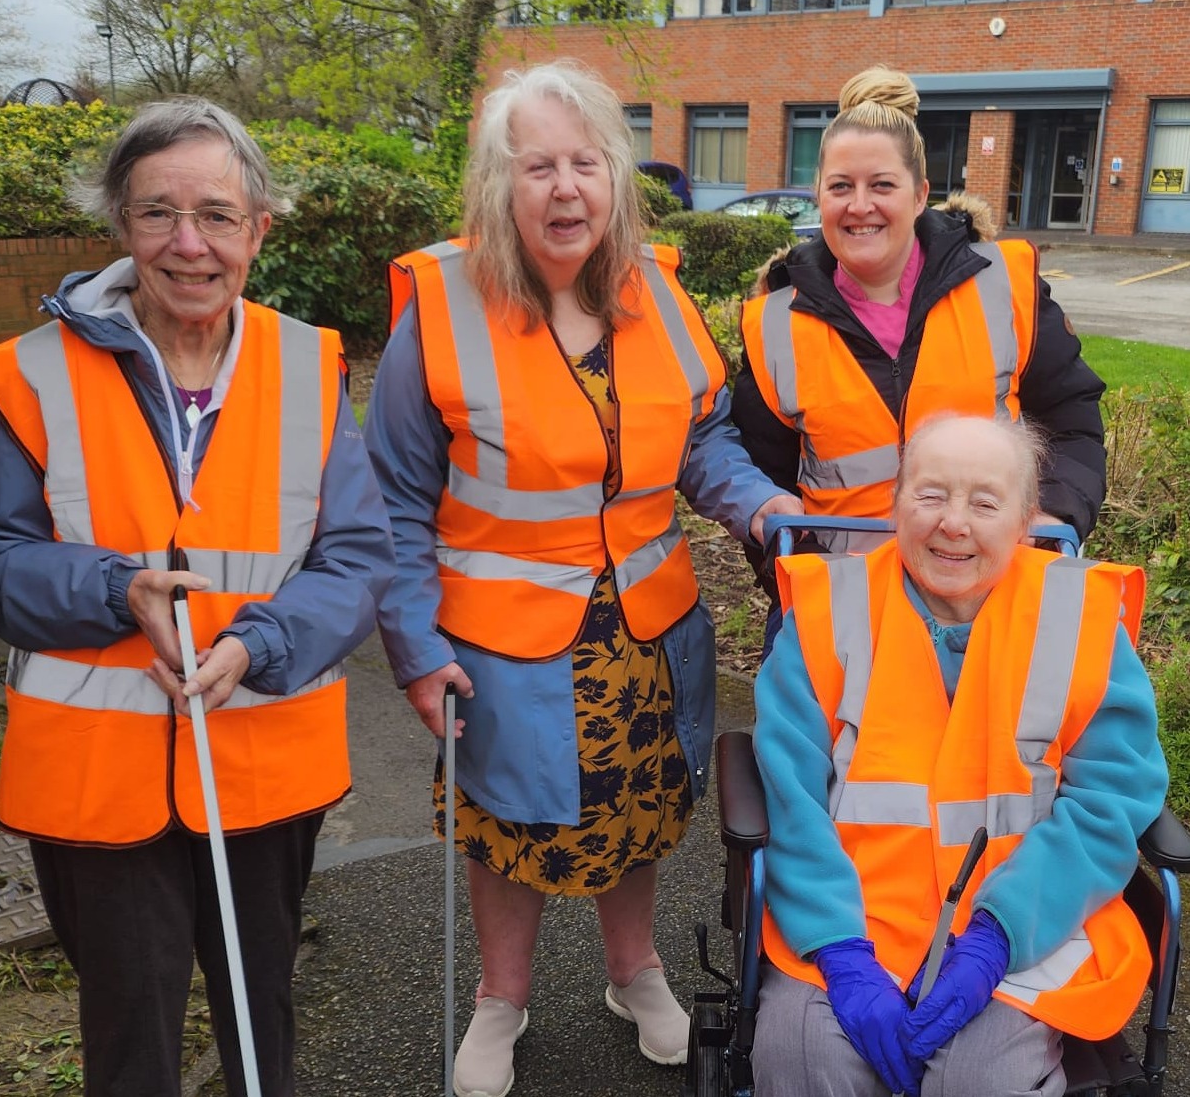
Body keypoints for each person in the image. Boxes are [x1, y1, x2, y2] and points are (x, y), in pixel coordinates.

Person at [362, 60, 799, 1097]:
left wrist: (755, 503)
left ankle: (632, 970)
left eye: (585, 162)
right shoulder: (443, 304)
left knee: (641, 812)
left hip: (647, 628)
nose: (565, 188)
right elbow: (391, 502)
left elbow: (702, 440)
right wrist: (416, 652)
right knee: (510, 826)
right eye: (537, 166)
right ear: (496, 188)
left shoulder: (654, 287)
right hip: (503, 638)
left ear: (615, 175)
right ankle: (499, 1000)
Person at [0, 98, 394, 1097]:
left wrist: (260, 642)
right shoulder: (27, 376)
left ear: (259, 226)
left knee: (262, 1028)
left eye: (217, 215)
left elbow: (353, 556)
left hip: (264, 767)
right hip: (97, 781)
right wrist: (112, 588)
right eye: (156, 215)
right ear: (119, 227)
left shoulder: (308, 363)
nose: (189, 245)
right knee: (131, 1042)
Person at [750, 413, 1168, 1097]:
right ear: (894, 500)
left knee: (983, 1078)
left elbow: (1109, 796)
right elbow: (790, 798)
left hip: (1027, 919)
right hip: (857, 919)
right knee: (803, 1061)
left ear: (1025, 517)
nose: (953, 523)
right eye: (930, 493)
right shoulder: (826, 613)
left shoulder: (1078, 618)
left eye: (983, 501)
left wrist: (994, 937)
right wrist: (838, 949)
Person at [734, 66, 1108, 653]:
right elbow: (762, 476)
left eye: (882, 185)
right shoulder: (773, 322)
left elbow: (1072, 421)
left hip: (992, 600)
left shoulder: (1002, 286)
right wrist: (794, 573)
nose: (861, 206)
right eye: (840, 187)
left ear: (921, 194)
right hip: (844, 611)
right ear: (818, 196)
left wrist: (1056, 513)